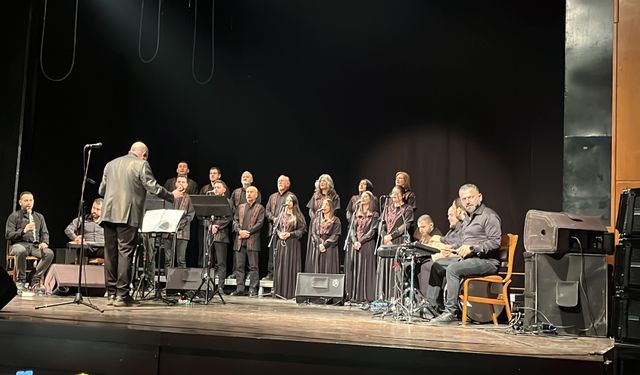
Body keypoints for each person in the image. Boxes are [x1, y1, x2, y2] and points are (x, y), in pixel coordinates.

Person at [98, 142, 182, 307]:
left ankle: (111, 294)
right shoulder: (141, 164)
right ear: (144, 154)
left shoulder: (110, 164)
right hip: (127, 215)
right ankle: (122, 295)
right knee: (125, 253)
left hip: (107, 214)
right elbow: (153, 187)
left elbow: (101, 191)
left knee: (110, 254)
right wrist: (171, 196)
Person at [427, 183, 502, 323]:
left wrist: (472, 248)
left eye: (471, 197)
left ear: (479, 197)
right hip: (469, 259)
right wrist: (449, 247)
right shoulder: (467, 219)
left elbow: (495, 242)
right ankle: (432, 308)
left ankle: (450, 311)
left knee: (453, 269)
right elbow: (462, 242)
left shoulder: (489, 216)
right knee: (437, 265)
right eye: (464, 199)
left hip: (487, 262)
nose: (467, 201)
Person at [5, 191, 54, 294]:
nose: (29, 203)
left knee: (49, 253)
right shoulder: (14, 216)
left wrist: (45, 242)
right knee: (21, 250)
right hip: (18, 245)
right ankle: (21, 282)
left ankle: (34, 279)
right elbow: (8, 235)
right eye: (26, 200)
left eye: (31, 200)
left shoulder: (39, 217)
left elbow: (45, 233)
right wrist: (23, 231)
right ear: (20, 202)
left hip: (34, 246)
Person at [375, 185, 414, 301]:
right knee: (385, 267)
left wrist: (391, 236)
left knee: (396, 268)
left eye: (397, 193)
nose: (394, 195)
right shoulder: (387, 208)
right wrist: (384, 236)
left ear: (402, 196)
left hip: (398, 240)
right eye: (393, 193)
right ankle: (383, 297)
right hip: (386, 242)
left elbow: (406, 225)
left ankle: (396, 297)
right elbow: (381, 224)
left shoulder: (407, 209)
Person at [231, 186, 265, 296]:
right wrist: (240, 231)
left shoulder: (260, 208)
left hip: (252, 241)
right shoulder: (240, 207)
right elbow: (234, 221)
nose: (249, 194)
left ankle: (253, 289)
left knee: (253, 266)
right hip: (240, 240)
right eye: (248, 192)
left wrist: (247, 232)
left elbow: (260, 223)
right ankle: (240, 288)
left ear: (256, 195)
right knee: (239, 266)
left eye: (251, 192)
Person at [346, 191, 378, 303]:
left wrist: (361, 241)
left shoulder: (374, 214)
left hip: (367, 244)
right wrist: (355, 241)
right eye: (362, 197)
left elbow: (373, 231)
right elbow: (352, 230)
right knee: (356, 268)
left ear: (370, 200)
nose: (363, 198)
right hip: (356, 245)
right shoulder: (356, 214)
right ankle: (355, 295)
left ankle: (366, 296)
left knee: (365, 268)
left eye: (365, 197)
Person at [273, 194, 307, 299]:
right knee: (280, 267)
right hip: (281, 243)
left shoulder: (298, 216)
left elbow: (302, 230)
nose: (287, 202)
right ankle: (280, 292)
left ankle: (290, 292)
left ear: (294, 203)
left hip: (292, 244)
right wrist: (279, 234)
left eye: (290, 201)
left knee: (291, 266)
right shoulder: (281, 214)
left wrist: (290, 234)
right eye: (286, 200)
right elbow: (276, 228)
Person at [264, 175, 296, 281]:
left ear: (288, 184)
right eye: (278, 181)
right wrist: (274, 218)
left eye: (282, 181)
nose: (280, 182)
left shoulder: (290, 196)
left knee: (283, 254)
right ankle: (271, 273)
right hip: (274, 229)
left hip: (286, 231)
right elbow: (267, 211)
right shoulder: (272, 197)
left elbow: (295, 212)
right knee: (272, 253)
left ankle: (281, 275)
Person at [165, 176, 195, 273]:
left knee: (181, 260)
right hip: (168, 232)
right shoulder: (169, 196)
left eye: (183, 182)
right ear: (175, 184)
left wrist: (178, 225)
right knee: (168, 260)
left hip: (183, 232)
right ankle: (168, 284)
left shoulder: (189, 198)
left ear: (186, 185)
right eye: (179, 181)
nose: (181, 183)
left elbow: (190, 215)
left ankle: (181, 286)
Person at [306, 198, 341, 274]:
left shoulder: (335, 220)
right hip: (318, 246)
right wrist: (319, 244)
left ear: (331, 207)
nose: (324, 206)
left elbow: (335, 235)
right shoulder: (316, 220)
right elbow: (313, 233)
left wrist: (325, 245)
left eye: (326, 205)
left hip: (330, 247)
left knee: (328, 269)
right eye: (323, 204)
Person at [209, 180, 233, 285]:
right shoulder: (210, 201)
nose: (216, 189)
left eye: (218, 187)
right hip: (210, 235)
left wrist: (217, 226)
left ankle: (220, 286)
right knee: (209, 260)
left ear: (224, 190)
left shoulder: (228, 202)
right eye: (215, 187)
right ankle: (208, 286)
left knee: (221, 262)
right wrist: (210, 226)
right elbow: (204, 217)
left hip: (221, 235)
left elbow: (228, 218)